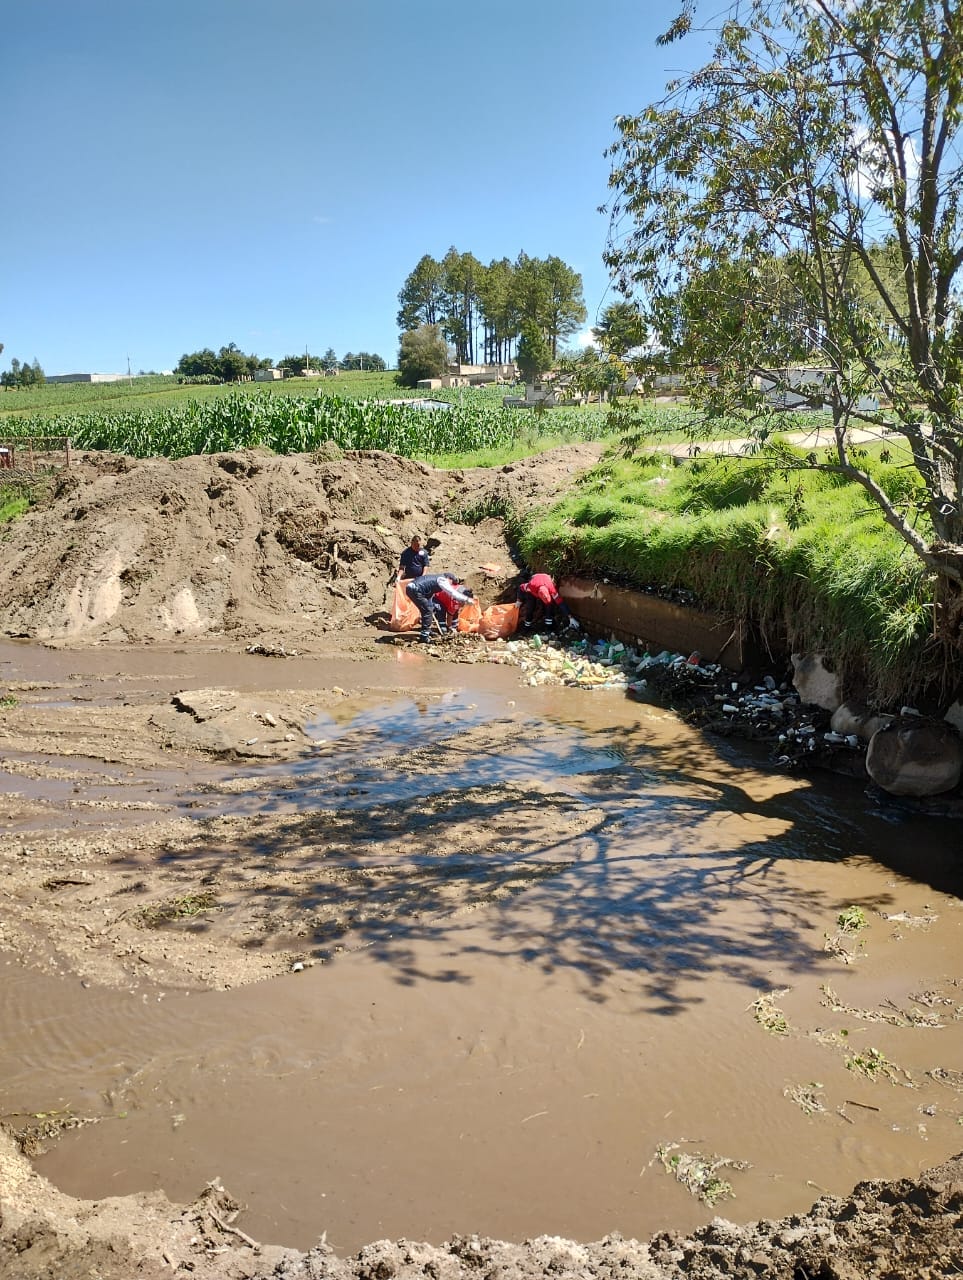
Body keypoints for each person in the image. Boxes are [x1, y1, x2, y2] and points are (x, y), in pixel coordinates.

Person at [406, 573, 473, 643]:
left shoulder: (437, 579)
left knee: (427, 610)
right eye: (451, 582)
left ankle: (427, 631)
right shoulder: (442, 580)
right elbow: (452, 593)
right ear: (449, 579)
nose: (451, 585)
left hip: (416, 588)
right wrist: (466, 599)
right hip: (416, 589)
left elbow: (430, 591)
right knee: (427, 611)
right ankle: (424, 637)